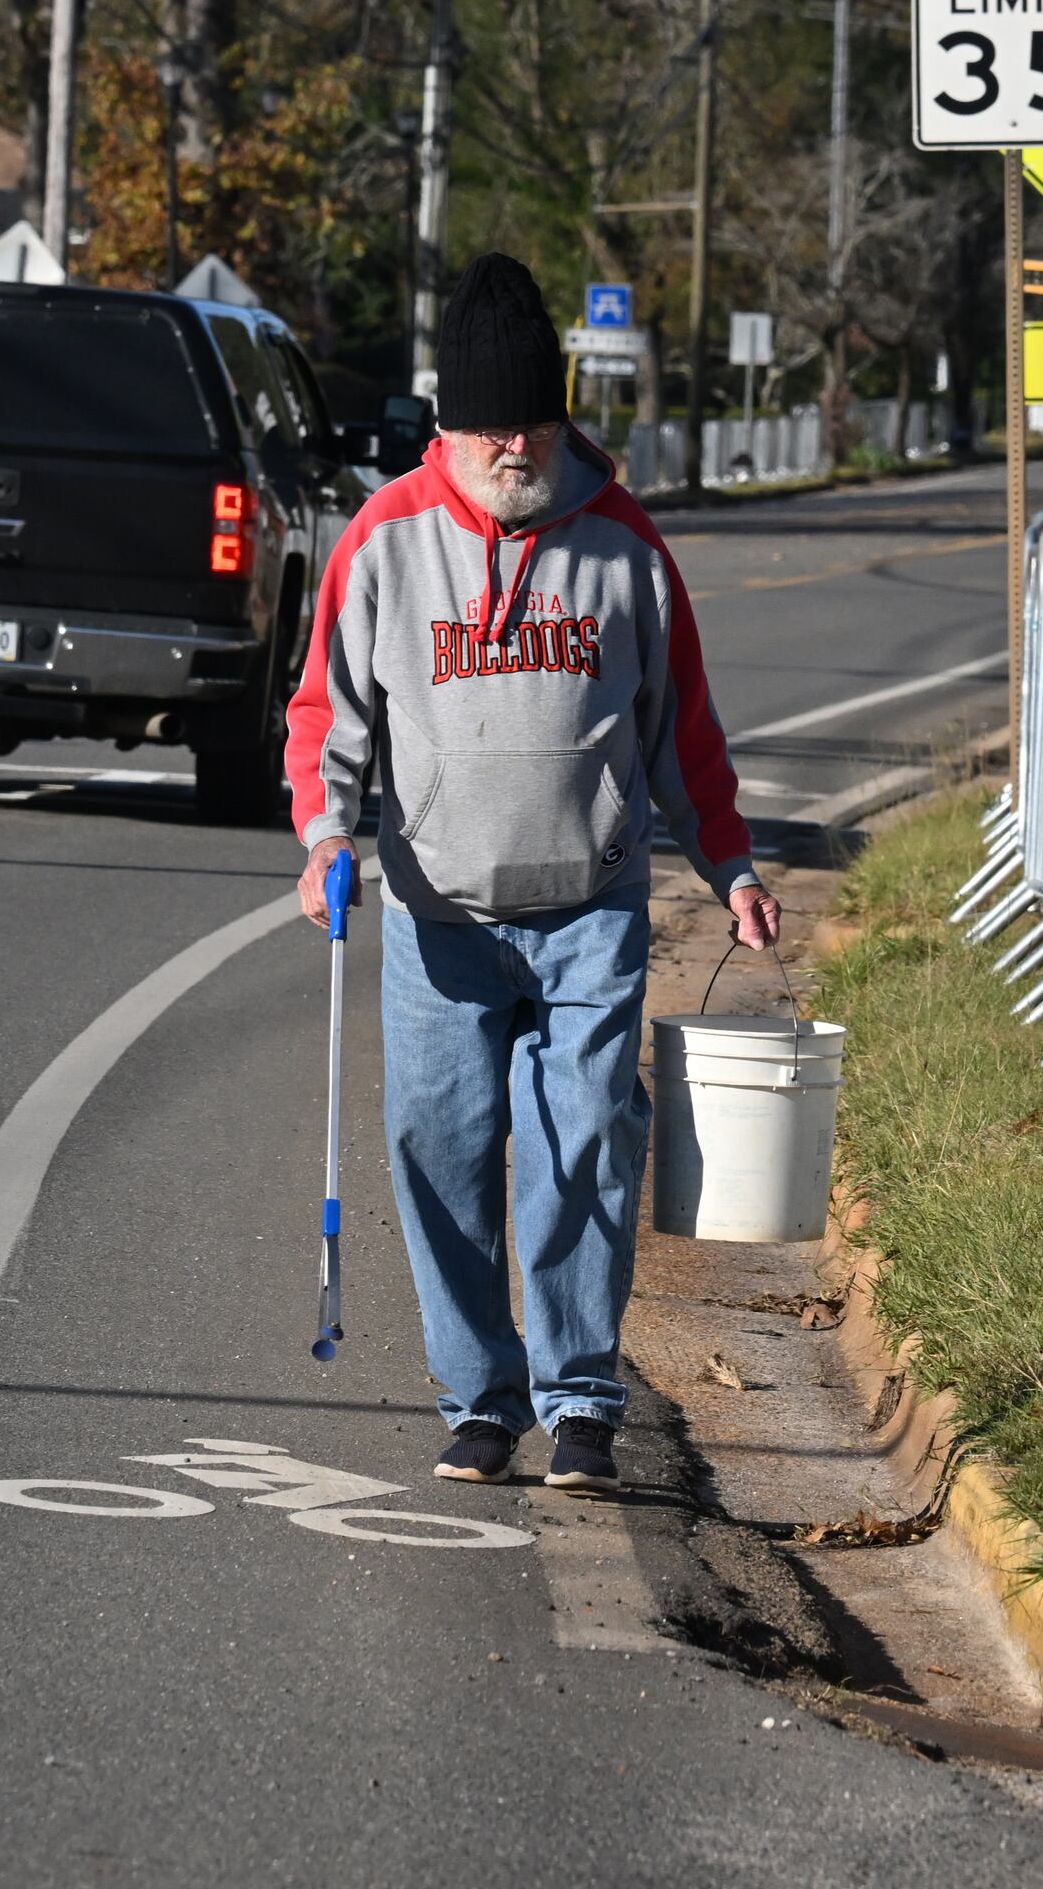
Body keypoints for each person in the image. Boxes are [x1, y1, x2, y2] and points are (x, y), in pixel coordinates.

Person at [284, 252, 781, 1495]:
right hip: (437, 913)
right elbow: (326, 714)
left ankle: (581, 1398)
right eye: (492, 423)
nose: (516, 444)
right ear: (448, 423)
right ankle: (480, 1400)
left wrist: (730, 863)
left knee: (580, 1152)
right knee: (440, 1152)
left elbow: (683, 729)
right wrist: (326, 835)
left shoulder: (624, 547)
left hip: (590, 907)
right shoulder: (385, 542)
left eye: (535, 420)